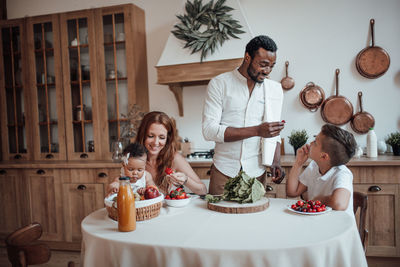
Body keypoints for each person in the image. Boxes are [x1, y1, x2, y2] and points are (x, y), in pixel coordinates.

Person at [202, 35, 285, 195]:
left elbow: (273, 131)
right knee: (218, 218)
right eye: (263, 65)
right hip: (224, 171)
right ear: (247, 57)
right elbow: (209, 130)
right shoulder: (219, 84)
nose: (267, 71)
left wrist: (276, 162)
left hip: (257, 172)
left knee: (255, 219)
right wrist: (256, 131)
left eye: (272, 67)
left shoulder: (275, 89)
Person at [286, 124, 357, 217]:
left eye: (315, 142)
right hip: (319, 224)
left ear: (324, 156)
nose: (310, 143)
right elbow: (292, 192)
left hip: (340, 228)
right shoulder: (314, 167)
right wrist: (298, 163)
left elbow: (339, 203)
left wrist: (317, 199)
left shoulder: (342, 173)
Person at [135, 111, 207, 195]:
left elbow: (203, 190)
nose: (156, 142)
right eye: (151, 136)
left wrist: (186, 180)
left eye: (162, 137)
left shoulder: (174, 159)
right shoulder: (133, 159)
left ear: (167, 139)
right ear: (142, 135)